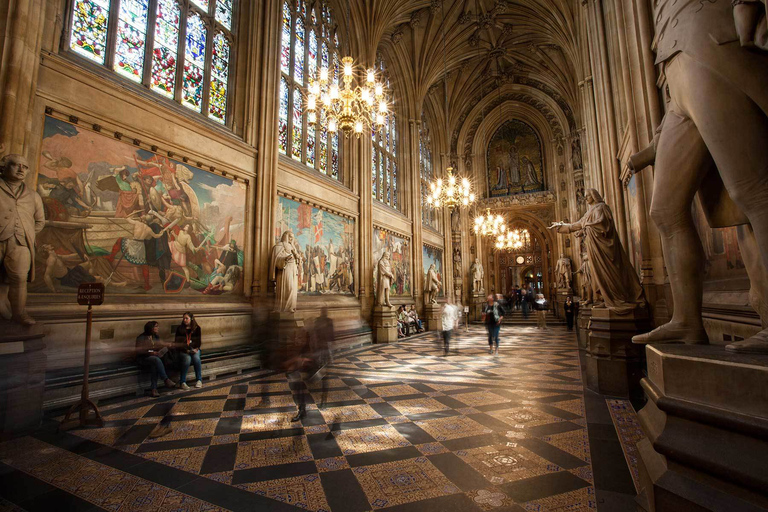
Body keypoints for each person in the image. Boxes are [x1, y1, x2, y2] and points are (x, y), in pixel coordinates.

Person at [0, 154, 45, 325]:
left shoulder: (33, 196)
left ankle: (19, 314)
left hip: (20, 243)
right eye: (16, 165)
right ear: (4, 167)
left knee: (19, 279)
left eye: (24, 167)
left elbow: (40, 221)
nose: (21, 169)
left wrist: (27, 234)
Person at [136, 321, 176, 397]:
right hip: (143, 358)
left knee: (154, 364)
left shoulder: (155, 337)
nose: (158, 328)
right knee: (156, 360)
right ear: (151, 328)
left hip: (153, 358)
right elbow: (141, 350)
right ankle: (166, 379)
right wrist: (152, 352)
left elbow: (159, 345)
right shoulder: (141, 337)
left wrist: (165, 347)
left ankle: (154, 389)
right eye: (156, 326)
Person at [174, 312, 202, 390]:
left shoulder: (197, 328)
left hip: (194, 349)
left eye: (186, 318)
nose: (185, 320)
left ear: (191, 319)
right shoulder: (180, 329)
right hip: (183, 350)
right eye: (184, 318)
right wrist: (186, 350)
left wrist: (195, 349)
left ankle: (199, 380)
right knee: (187, 359)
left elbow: (198, 341)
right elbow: (177, 342)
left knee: (196, 358)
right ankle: (182, 382)